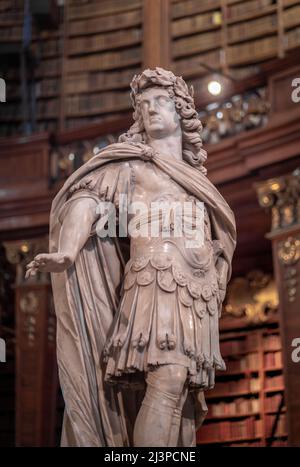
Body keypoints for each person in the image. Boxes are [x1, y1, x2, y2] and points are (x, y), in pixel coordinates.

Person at [26, 68, 236, 447]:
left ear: (180, 111)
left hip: (197, 294)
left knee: (180, 394)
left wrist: (217, 258)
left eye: (161, 102)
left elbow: (216, 232)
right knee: (167, 379)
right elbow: (86, 199)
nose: (151, 109)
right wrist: (67, 251)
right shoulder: (130, 165)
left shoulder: (197, 180)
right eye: (144, 104)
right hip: (156, 280)